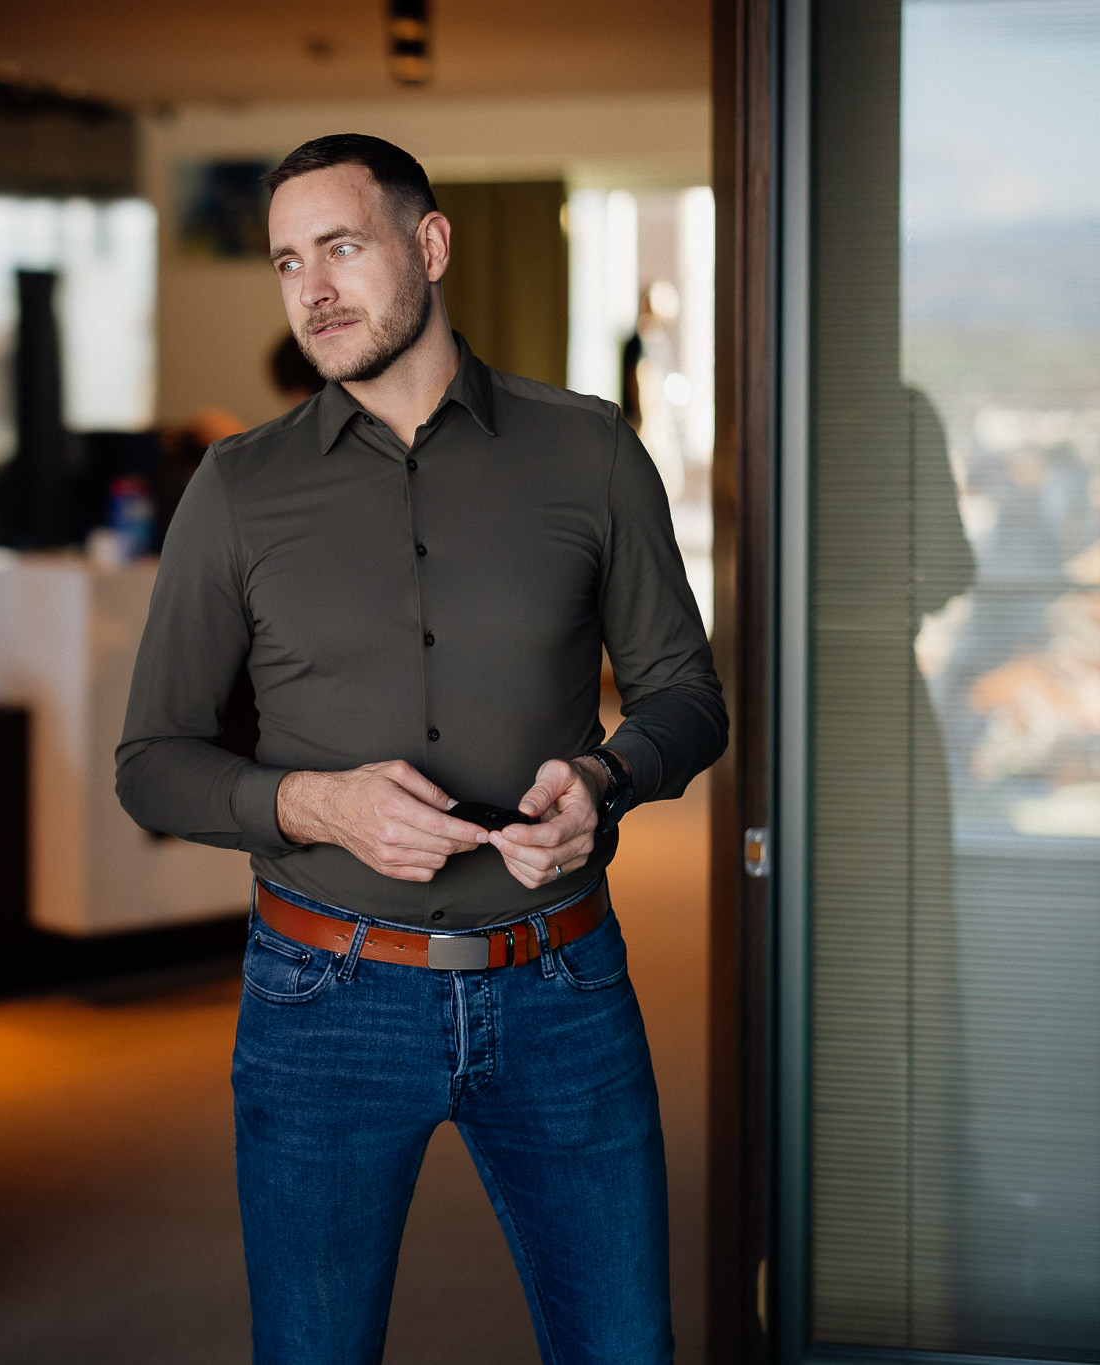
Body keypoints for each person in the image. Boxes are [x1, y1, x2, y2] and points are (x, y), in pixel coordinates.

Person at [117, 134, 726, 1365]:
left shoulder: (589, 451)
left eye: (340, 247)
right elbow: (151, 761)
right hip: (320, 1000)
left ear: (429, 244)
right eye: (287, 262)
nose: (311, 290)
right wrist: (314, 806)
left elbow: (686, 697)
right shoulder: (235, 489)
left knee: (622, 1346)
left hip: (561, 986)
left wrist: (604, 781)